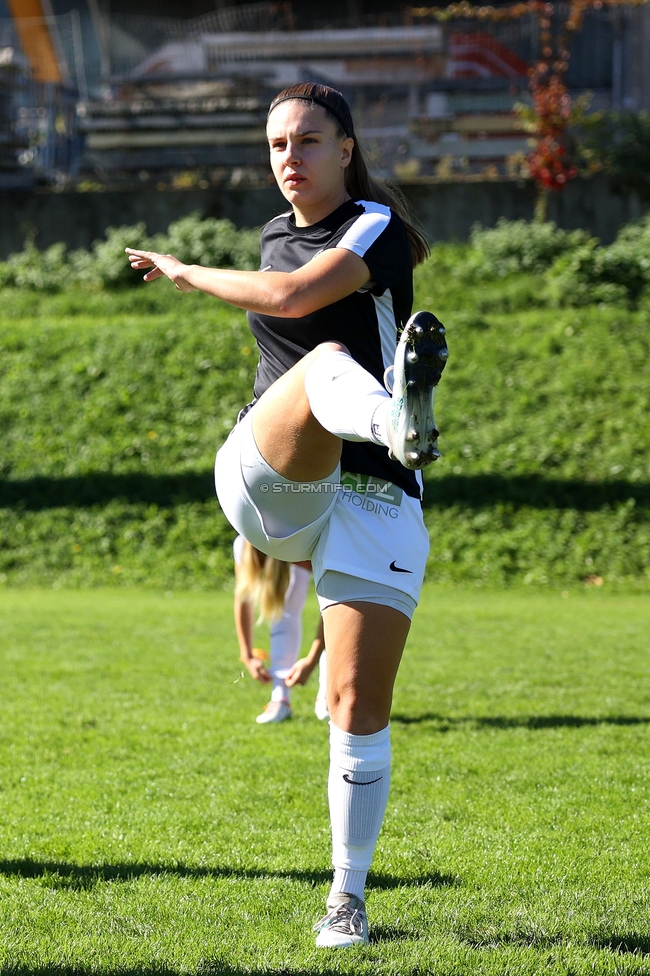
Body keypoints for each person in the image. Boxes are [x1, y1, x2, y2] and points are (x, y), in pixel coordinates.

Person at [126, 81, 448, 949]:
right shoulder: (273, 234)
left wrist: (187, 273)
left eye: (308, 141)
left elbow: (299, 295)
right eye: (276, 145)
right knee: (325, 362)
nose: (289, 159)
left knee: (355, 703)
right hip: (271, 480)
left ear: (348, 148)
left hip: (374, 495)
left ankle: (347, 898)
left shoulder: (372, 225)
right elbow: (299, 313)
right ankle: (396, 417)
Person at [233, 534, 328, 723]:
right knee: (284, 612)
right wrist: (248, 656)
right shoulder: (243, 543)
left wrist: (312, 660)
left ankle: (327, 694)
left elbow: (333, 610)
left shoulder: (306, 540)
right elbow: (242, 597)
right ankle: (280, 699)